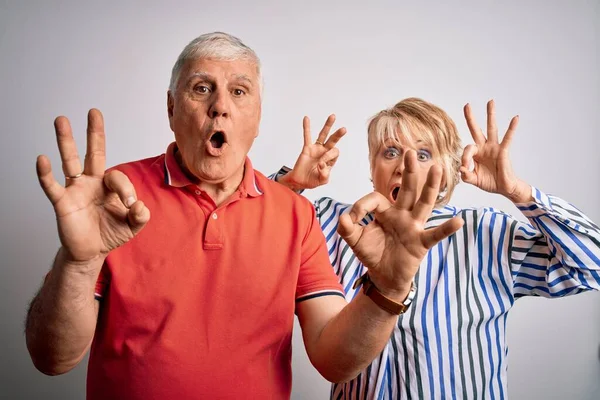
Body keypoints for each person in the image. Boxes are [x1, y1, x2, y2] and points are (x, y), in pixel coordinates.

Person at [24, 33, 463, 400]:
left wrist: (386, 288)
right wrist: (78, 262)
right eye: (201, 88)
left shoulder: (295, 213)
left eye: (238, 91)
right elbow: (52, 359)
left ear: (256, 117)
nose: (220, 106)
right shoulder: (117, 197)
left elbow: (334, 361)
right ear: (172, 108)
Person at [275, 97, 600, 399]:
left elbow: (592, 266)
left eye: (423, 153)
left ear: (445, 172)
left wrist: (519, 192)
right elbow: (241, 236)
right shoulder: (337, 223)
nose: (405, 164)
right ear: (372, 170)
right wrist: (291, 186)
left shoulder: (487, 232)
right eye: (389, 152)